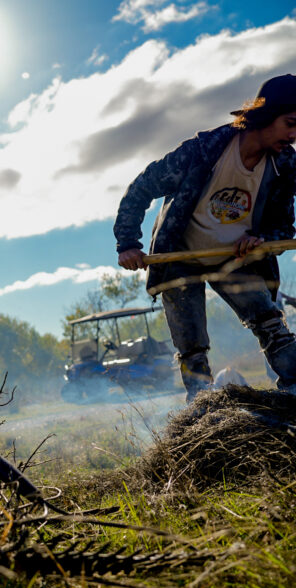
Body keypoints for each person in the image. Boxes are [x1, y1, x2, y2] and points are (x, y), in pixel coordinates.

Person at [114, 74, 296, 400]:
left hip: (235, 259)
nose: (294, 135)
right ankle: (203, 409)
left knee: (272, 325)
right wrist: (128, 243)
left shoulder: (285, 165)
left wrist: (262, 238)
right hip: (180, 256)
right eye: (290, 123)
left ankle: (294, 392)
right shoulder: (202, 151)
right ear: (265, 116)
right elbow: (142, 188)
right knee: (191, 347)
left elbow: (283, 226)